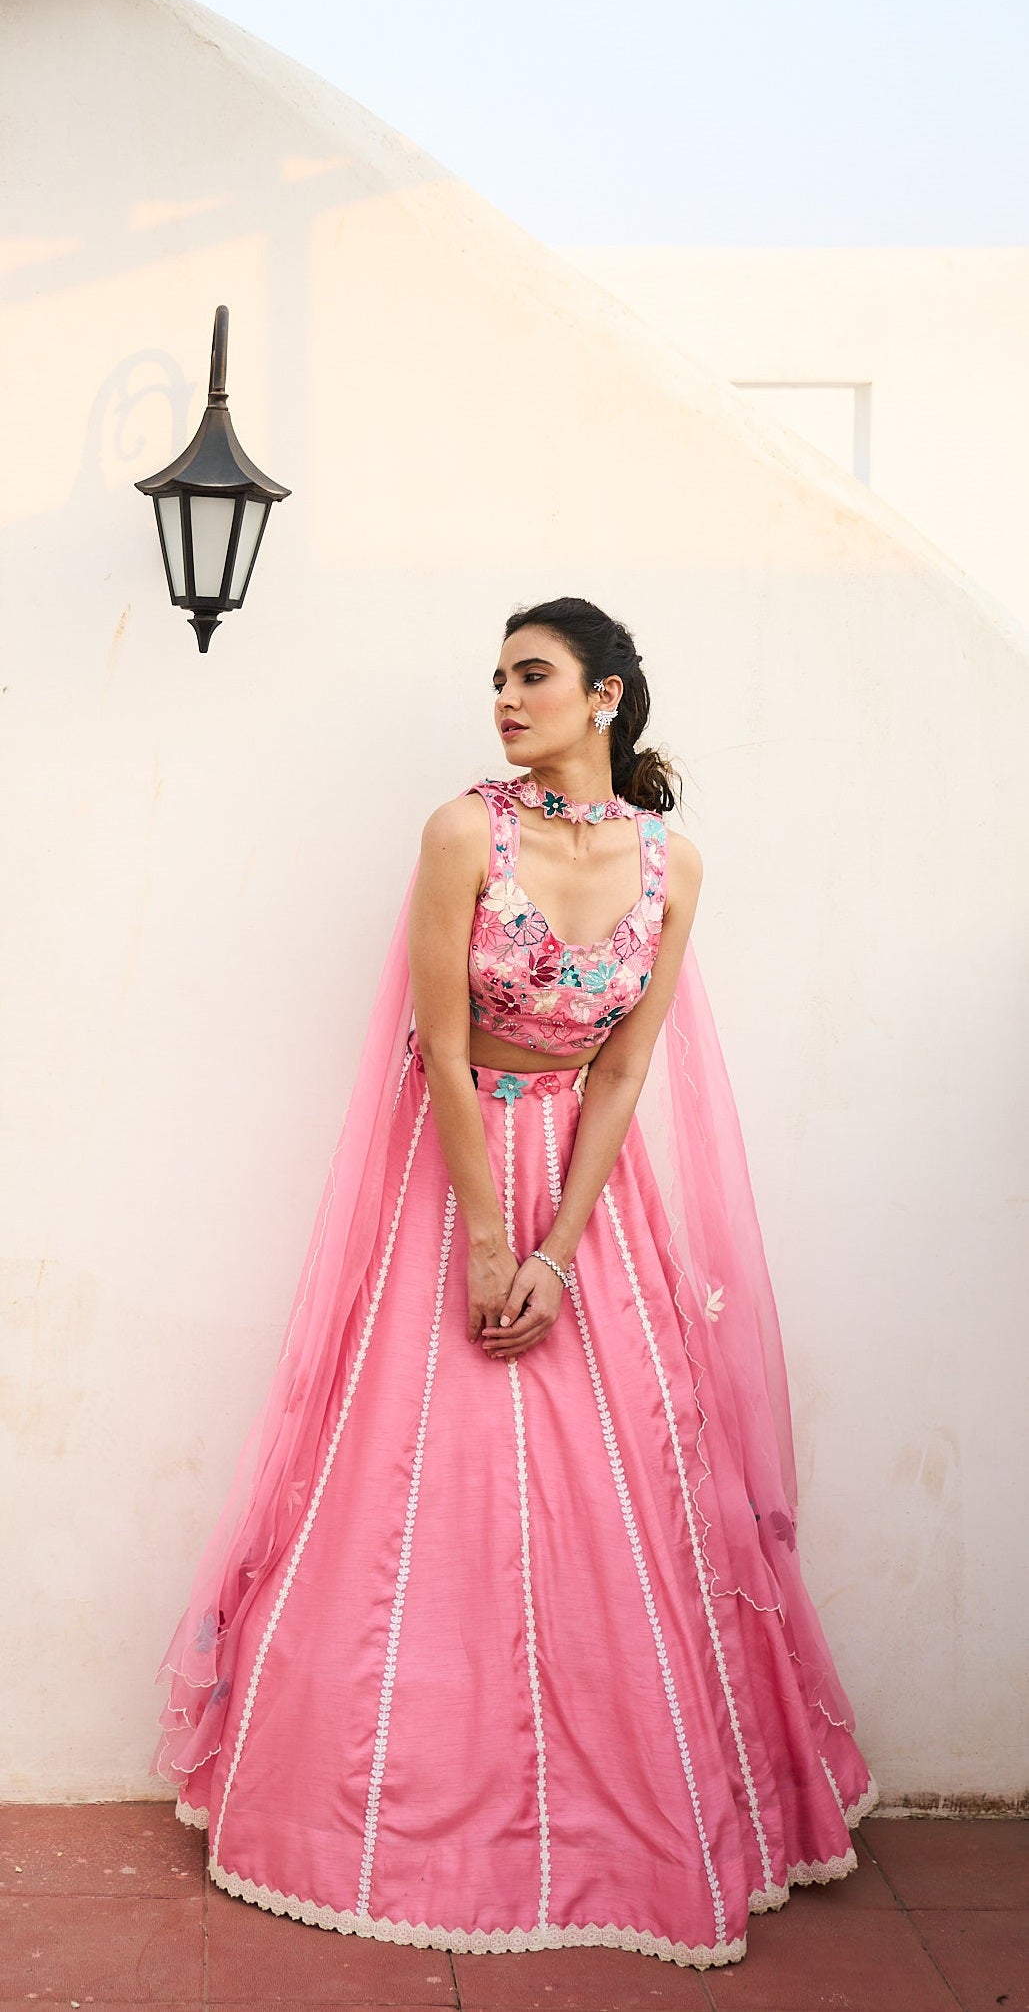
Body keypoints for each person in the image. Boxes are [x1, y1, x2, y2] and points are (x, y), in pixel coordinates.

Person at [153, 597, 878, 1970]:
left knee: (625, 1480)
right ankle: (386, 1807)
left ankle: (631, 1816)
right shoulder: (461, 833)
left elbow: (624, 1066)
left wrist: (557, 1247)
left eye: (531, 674)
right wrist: (491, 1240)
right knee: (425, 1476)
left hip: (590, 1194)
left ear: (605, 695)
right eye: (495, 677)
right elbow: (438, 1045)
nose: (503, 696)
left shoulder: (671, 863)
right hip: (454, 1176)